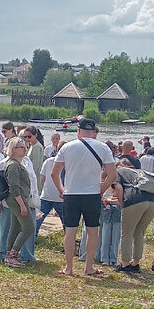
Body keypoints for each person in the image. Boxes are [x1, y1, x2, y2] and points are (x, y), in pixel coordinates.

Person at [51, 117, 116, 278]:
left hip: (71, 193)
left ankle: (69, 267)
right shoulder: (103, 148)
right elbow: (112, 174)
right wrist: (101, 190)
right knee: (93, 231)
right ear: (94, 132)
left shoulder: (67, 147)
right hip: (92, 194)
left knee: (71, 231)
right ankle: (89, 267)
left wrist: (61, 188)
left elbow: (54, 173)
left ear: (78, 131)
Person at [114, 163, 154, 274]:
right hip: (153, 202)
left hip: (134, 199)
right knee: (139, 233)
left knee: (127, 233)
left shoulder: (119, 172)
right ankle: (136, 263)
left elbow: (118, 188)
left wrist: (122, 204)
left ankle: (125, 264)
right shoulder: (141, 172)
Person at [3, 137, 35, 267]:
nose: (24, 149)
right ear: (13, 150)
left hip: (18, 199)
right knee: (29, 227)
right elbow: (14, 187)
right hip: (17, 199)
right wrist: (22, 205)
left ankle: (8, 254)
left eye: (25, 146)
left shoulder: (17, 164)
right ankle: (13, 254)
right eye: (21, 147)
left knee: (15, 227)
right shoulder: (13, 165)